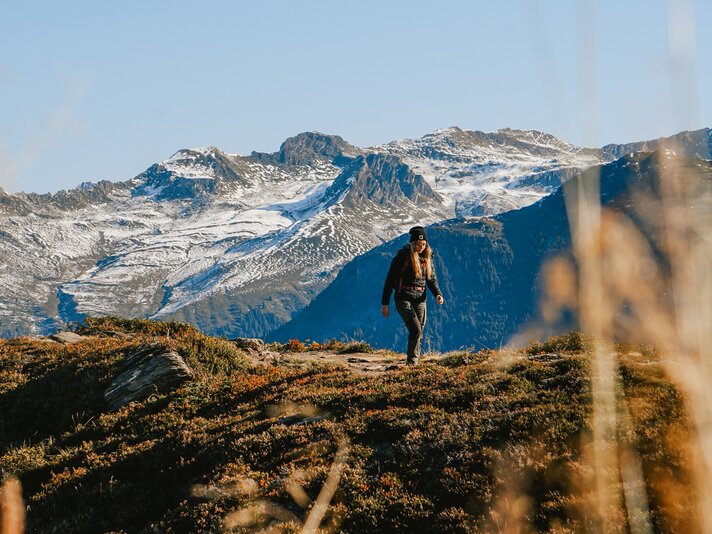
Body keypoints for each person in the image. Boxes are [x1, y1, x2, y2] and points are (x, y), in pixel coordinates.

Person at [381, 226, 445, 365]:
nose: (421, 247)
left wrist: (438, 294)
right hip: (403, 298)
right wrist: (385, 303)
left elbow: (431, 279)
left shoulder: (427, 258)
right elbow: (390, 280)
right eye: (417, 244)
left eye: (423, 244)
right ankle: (412, 362)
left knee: (418, 332)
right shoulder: (402, 257)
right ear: (412, 244)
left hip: (421, 298)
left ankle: (413, 362)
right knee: (416, 329)